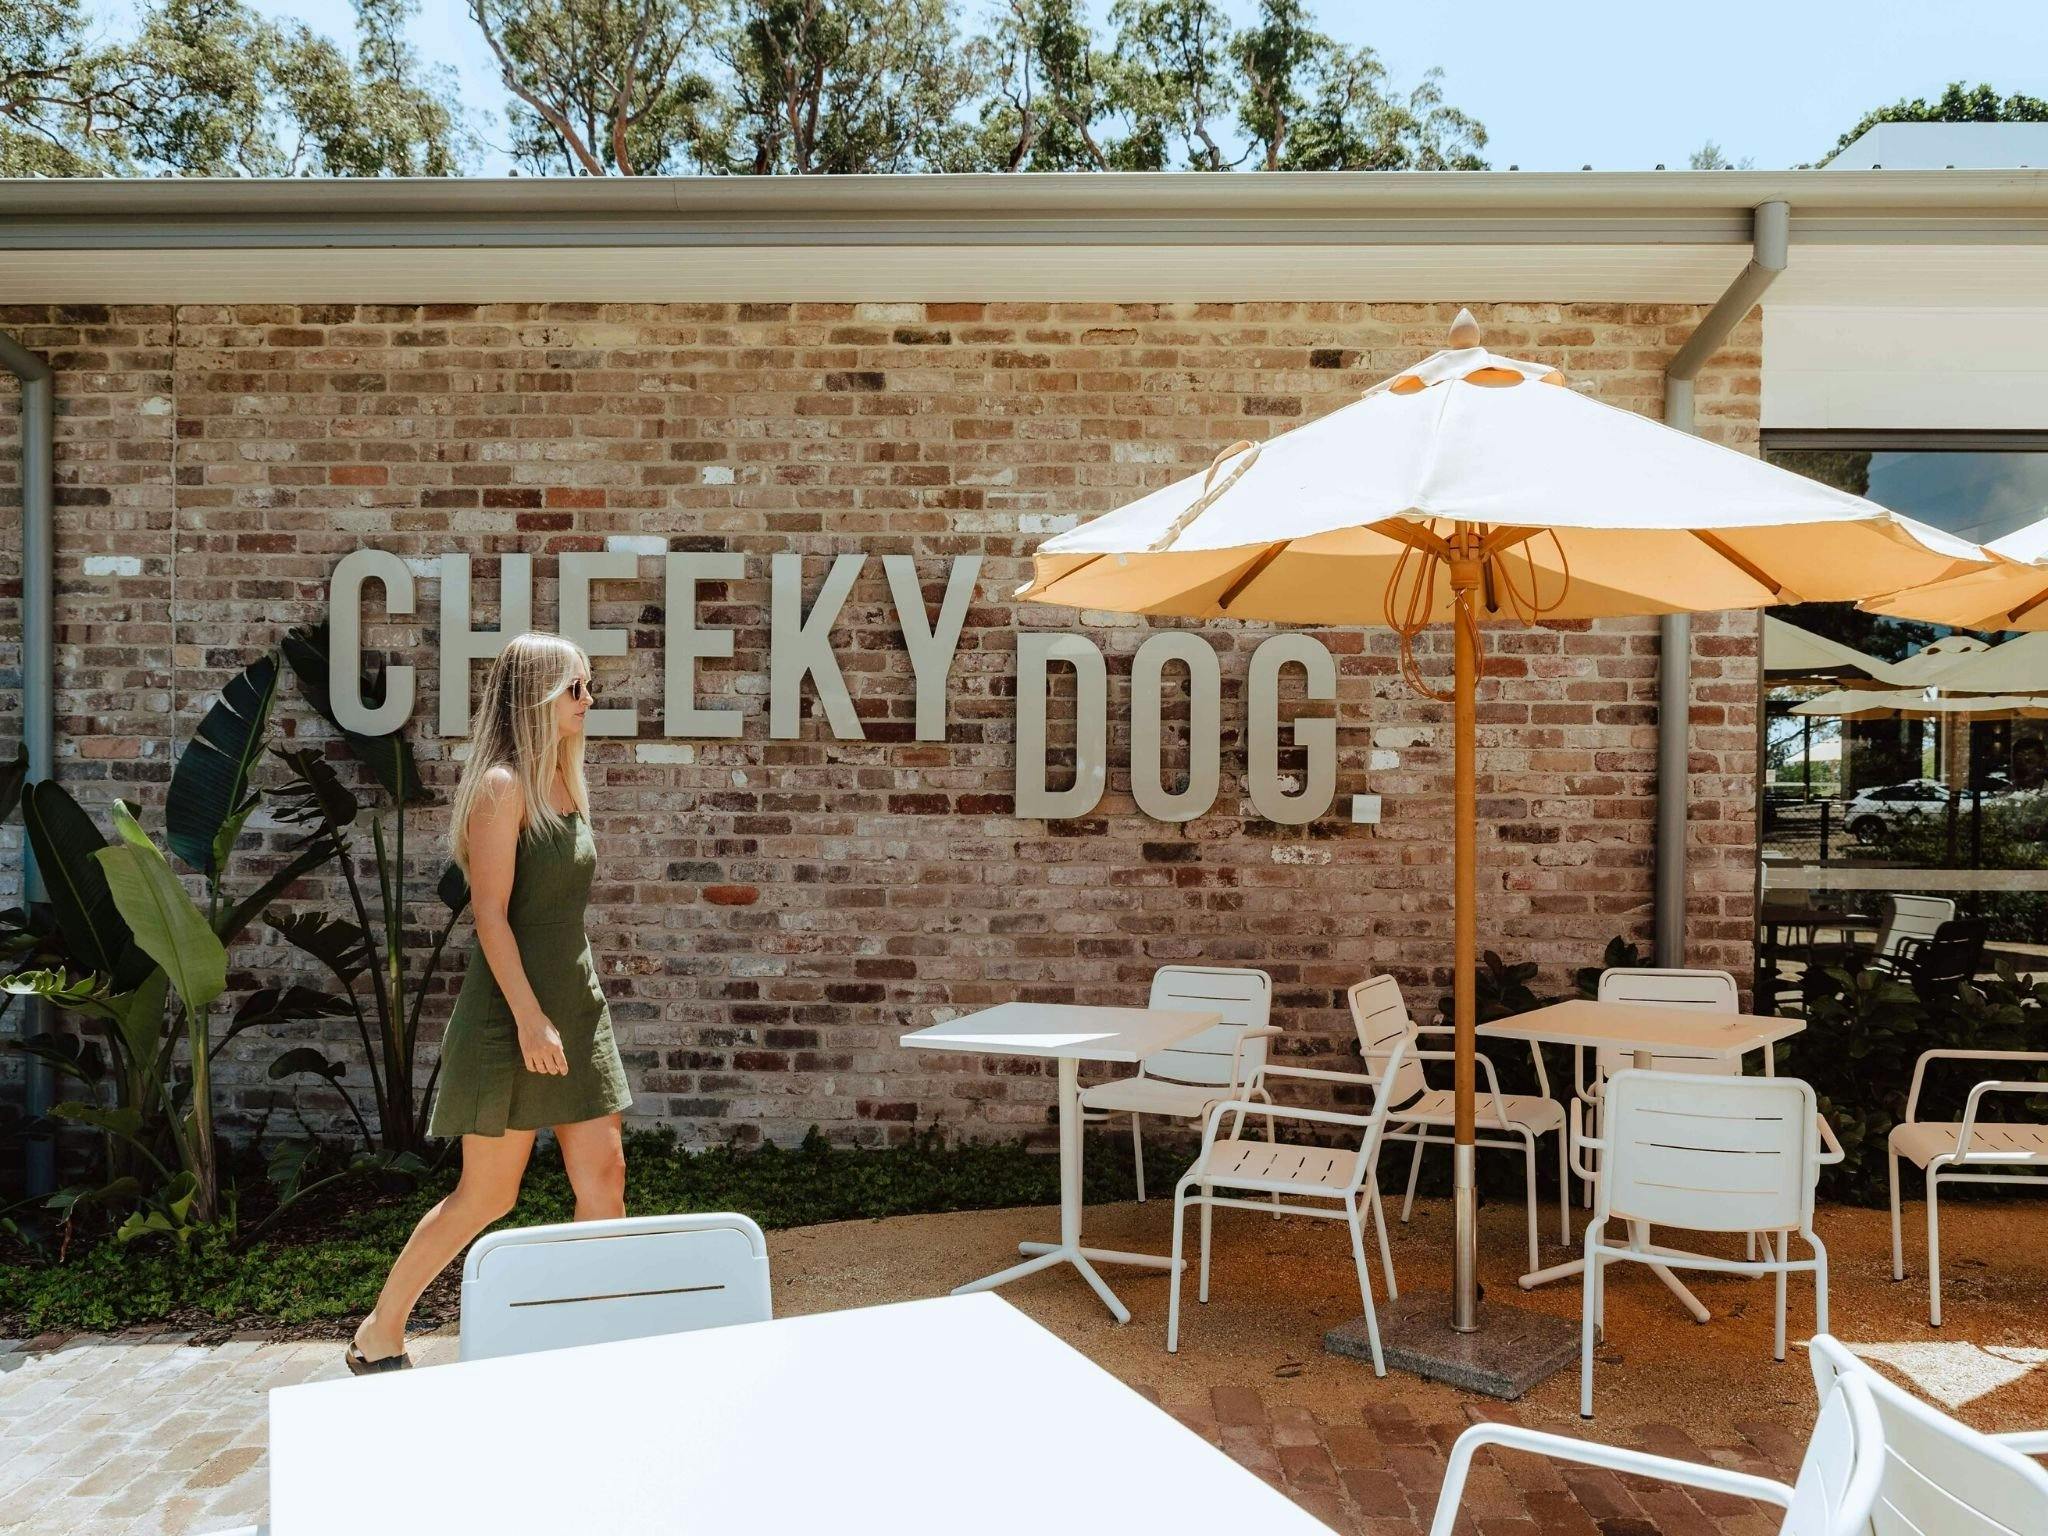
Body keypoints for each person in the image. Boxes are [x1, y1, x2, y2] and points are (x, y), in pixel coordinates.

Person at [348, 632, 632, 1373]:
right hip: (513, 1015)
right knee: (486, 1197)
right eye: (577, 688)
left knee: (605, 1183)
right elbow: (492, 913)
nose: (589, 701)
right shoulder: (501, 786)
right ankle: (381, 1330)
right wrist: (531, 1016)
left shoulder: (566, 781)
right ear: (539, 695)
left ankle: (593, 1345)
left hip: (576, 1007)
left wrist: (566, 1011)